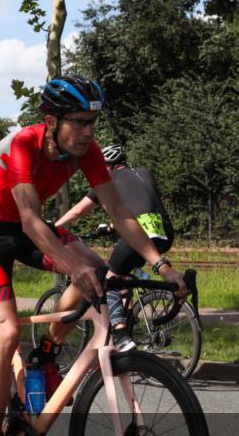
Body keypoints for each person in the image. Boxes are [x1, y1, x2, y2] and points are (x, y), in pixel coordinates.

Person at [0, 76, 187, 436]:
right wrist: (70, 265)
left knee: (96, 271)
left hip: (29, 227)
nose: (89, 132)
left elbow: (121, 213)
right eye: (80, 122)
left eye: (93, 123)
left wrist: (161, 265)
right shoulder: (23, 146)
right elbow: (30, 221)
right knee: (8, 331)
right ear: (51, 120)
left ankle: (46, 353)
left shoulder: (88, 153)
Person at [55, 145, 175, 351]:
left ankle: (120, 332)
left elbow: (77, 211)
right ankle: (129, 317)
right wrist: (111, 226)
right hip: (165, 232)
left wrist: (52, 228)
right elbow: (141, 206)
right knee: (124, 274)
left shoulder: (108, 180)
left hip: (139, 234)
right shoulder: (143, 172)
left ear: (107, 166)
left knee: (109, 278)